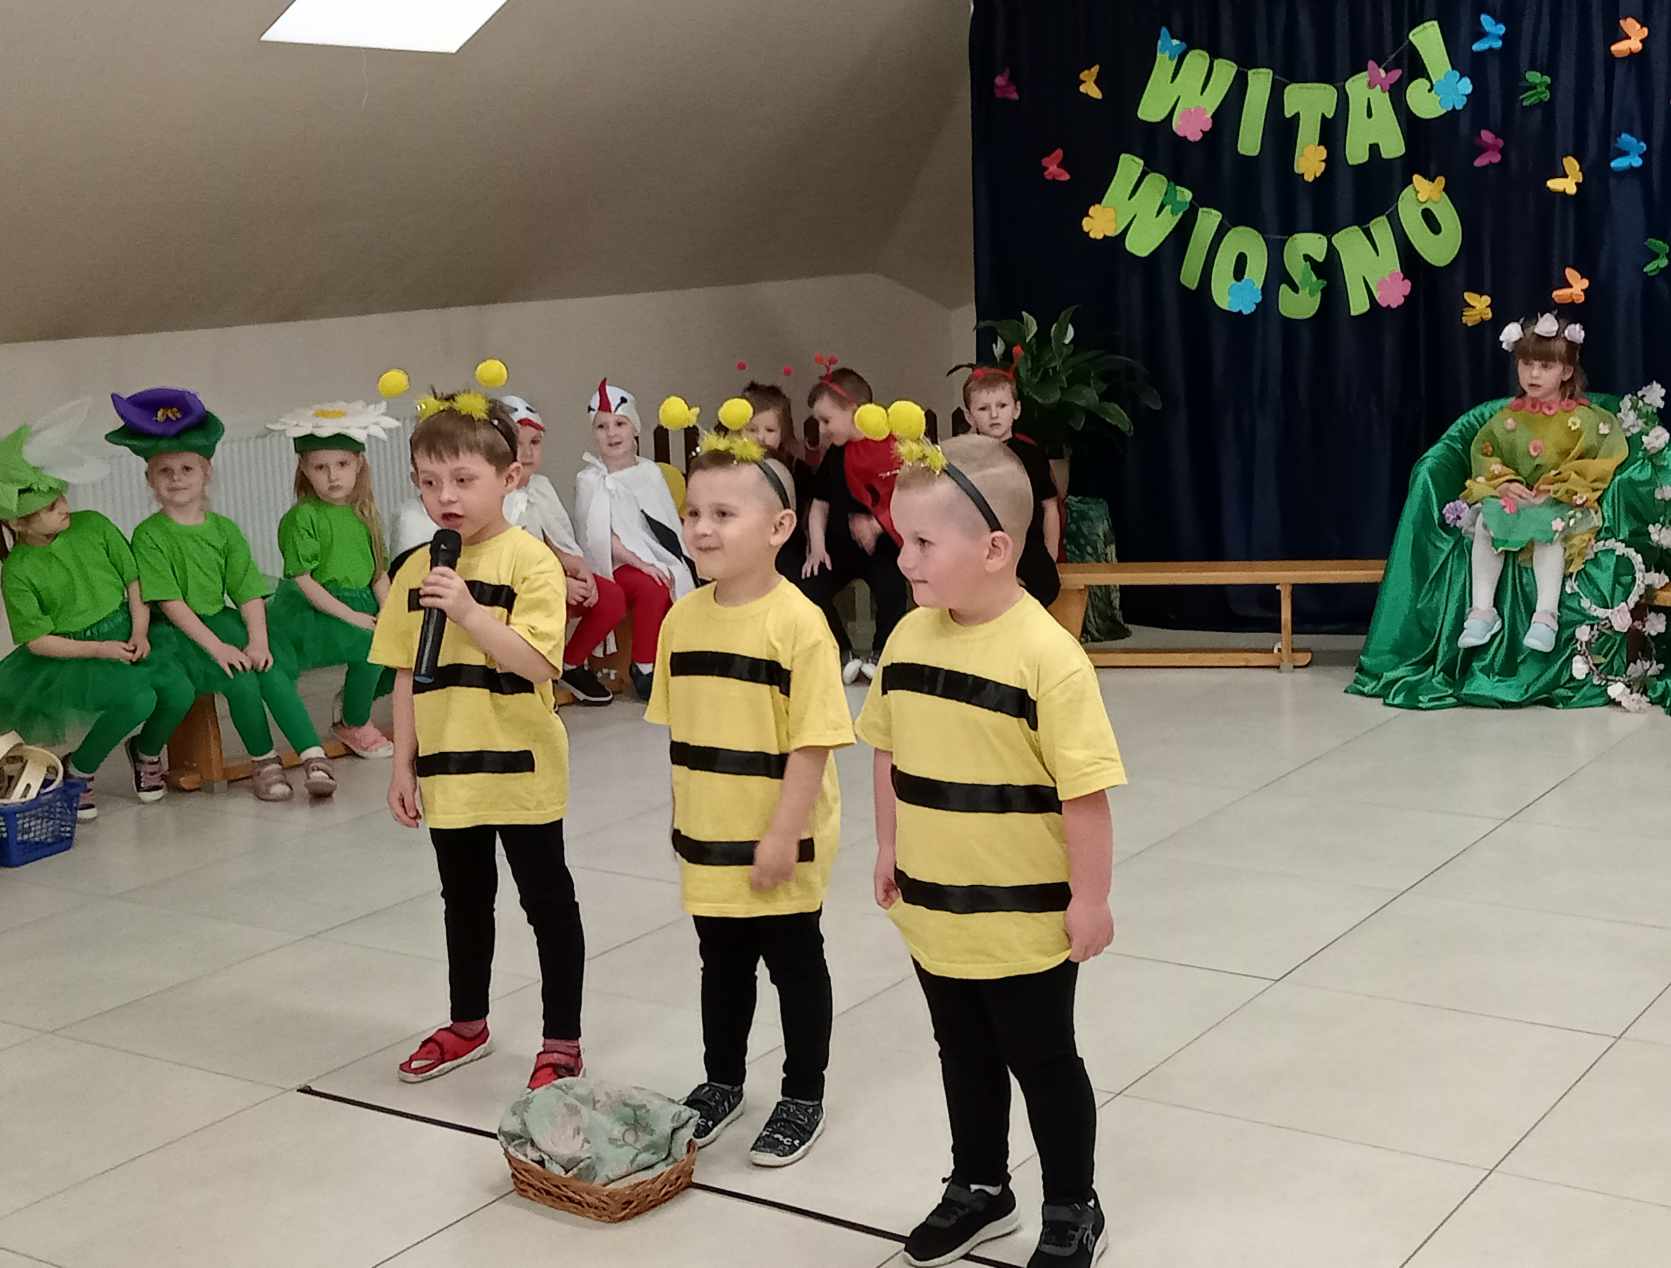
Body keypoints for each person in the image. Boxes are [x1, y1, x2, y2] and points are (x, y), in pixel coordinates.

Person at [857, 432, 1124, 1268]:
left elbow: (1083, 793)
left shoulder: (1047, 657)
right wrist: (888, 845)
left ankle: (1072, 1204)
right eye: (900, 538)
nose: (905, 560)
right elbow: (886, 749)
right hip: (935, 906)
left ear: (995, 550)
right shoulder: (908, 638)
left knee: (1041, 1061)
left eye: (922, 542)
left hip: (1024, 916)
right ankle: (978, 1185)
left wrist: (1089, 899)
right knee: (961, 1053)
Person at [645, 405, 853, 1167]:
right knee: (721, 962)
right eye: (693, 513)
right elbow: (680, 731)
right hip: (708, 832)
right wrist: (681, 818)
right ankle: (721, 1080)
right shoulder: (681, 619)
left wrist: (781, 834)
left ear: (778, 528)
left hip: (780, 835)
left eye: (723, 514)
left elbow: (813, 742)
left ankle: (802, 1093)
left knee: (793, 964)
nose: (702, 529)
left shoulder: (798, 623)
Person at [371, 387, 586, 1092]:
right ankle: (468, 1024)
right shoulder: (415, 568)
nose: (446, 497)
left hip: (521, 767)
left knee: (546, 902)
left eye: (464, 480)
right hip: (449, 767)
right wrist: (402, 767)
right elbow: (404, 673)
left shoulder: (530, 561)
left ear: (509, 477)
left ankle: (561, 1040)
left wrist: (467, 611)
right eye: (429, 482)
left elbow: (539, 664)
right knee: (463, 901)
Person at [108, 388, 335, 803]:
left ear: (206, 472)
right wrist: (217, 648)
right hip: (179, 633)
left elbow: (247, 589)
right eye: (165, 471)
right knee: (240, 680)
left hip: (221, 620)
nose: (177, 478)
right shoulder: (149, 535)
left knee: (270, 668)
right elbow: (170, 601)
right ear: (150, 480)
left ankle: (313, 756)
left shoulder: (224, 530)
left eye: (187, 468)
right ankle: (264, 762)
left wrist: (258, 639)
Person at [0, 416, 194, 820]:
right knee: (138, 699)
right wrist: (99, 649)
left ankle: (145, 751)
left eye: (61, 497)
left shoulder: (94, 526)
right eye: (50, 507)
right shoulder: (18, 570)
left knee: (179, 691)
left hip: (127, 628)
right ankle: (79, 768)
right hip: (76, 653)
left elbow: (135, 580)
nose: (64, 507)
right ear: (19, 522)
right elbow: (37, 639)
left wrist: (140, 629)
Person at [1459, 314, 1626, 654]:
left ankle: (1545, 616)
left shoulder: (1587, 420)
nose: (1533, 374)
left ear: (1566, 371)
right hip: (1518, 499)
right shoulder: (1508, 418)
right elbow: (1485, 453)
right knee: (1488, 521)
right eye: (1527, 364)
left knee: (1550, 529)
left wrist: (1560, 486)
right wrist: (1503, 484)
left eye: (1545, 366)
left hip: (1559, 502)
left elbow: (1603, 458)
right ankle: (1482, 611)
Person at [264, 401, 398, 759]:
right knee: (370, 644)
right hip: (314, 610)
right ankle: (354, 722)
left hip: (360, 601)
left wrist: (389, 612)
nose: (333, 476)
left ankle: (356, 699)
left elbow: (378, 574)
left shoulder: (365, 514)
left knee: (401, 639)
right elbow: (304, 581)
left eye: (342, 464)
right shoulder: (303, 517)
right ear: (304, 469)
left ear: (359, 464)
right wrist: (354, 617)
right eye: (320, 467)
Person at [575, 378, 695, 700]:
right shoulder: (590, 480)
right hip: (611, 564)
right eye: (602, 426)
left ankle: (675, 661)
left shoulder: (649, 473)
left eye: (620, 423)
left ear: (635, 428)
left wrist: (676, 560)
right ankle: (644, 666)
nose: (612, 433)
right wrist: (640, 563)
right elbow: (599, 537)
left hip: (653, 556)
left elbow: (666, 526)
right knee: (652, 585)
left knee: (677, 577)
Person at [503, 395, 622, 706]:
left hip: (549, 577)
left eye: (535, 442)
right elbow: (510, 561)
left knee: (610, 597)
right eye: (517, 443)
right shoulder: (496, 494)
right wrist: (559, 583)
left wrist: (579, 568)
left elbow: (557, 540)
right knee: (543, 606)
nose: (527, 453)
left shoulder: (541, 486)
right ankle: (530, 678)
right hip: (517, 588)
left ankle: (569, 664)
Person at [798, 365, 909, 683]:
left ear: (855, 412)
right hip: (839, 550)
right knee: (809, 588)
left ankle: (879, 654)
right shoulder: (835, 455)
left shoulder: (892, 448)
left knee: (891, 589)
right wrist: (817, 548)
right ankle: (842, 651)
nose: (821, 430)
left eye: (826, 421)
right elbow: (819, 506)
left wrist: (876, 525)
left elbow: (906, 499)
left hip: (882, 549)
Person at [963, 367, 1062, 607]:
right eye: (983, 409)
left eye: (1002, 406)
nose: (994, 415)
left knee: (1044, 586)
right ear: (969, 416)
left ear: (1016, 410)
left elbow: (1049, 507)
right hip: (981, 548)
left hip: (1028, 547)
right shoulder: (964, 458)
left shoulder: (1032, 455)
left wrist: (1050, 556)